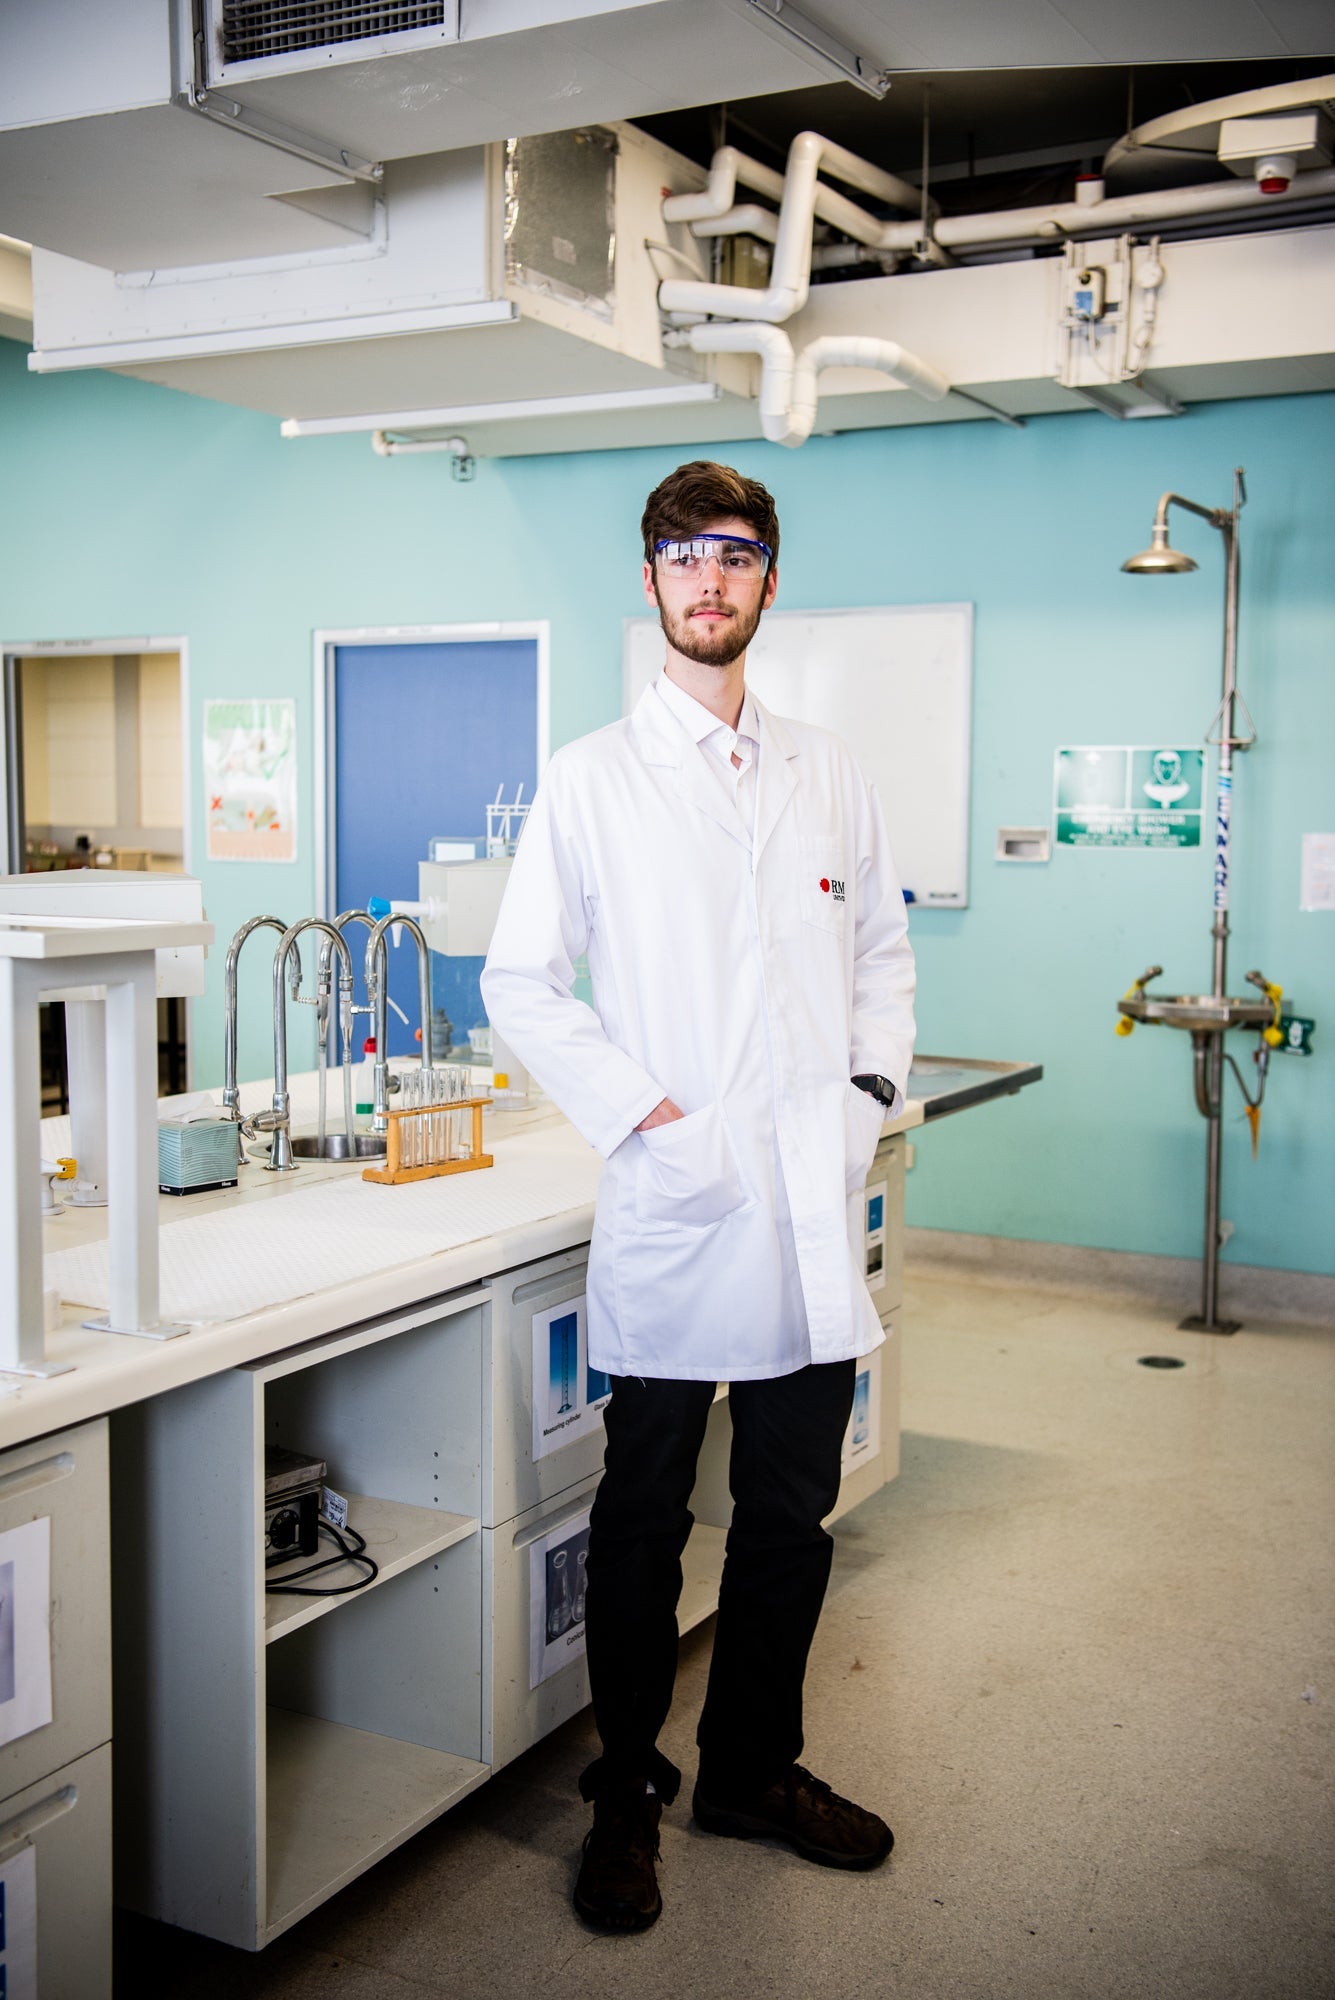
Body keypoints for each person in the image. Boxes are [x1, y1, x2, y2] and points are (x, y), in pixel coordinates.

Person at [481, 459, 916, 1931]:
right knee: (647, 1521)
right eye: (683, 555)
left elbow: (880, 962)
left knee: (793, 1514)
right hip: (677, 1208)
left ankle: (750, 1768)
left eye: (735, 554)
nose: (710, 579)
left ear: (768, 581)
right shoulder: (594, 779)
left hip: (804, 1209)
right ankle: (625, 1796)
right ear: (651, 583)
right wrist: (648, 1116)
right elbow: (518, 981)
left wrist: (864, 1105)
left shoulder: (831, 772)